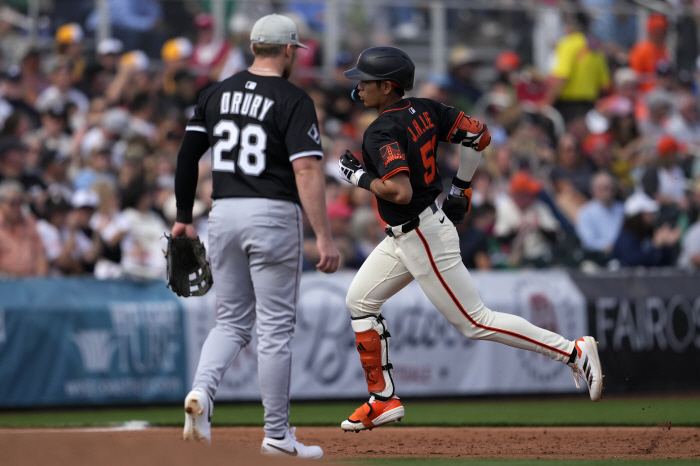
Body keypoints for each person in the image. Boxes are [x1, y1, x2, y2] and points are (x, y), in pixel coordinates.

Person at [337, 46, 603, 433]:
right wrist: (461, 188)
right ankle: (382, 399)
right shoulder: (425, 108)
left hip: (421, 232)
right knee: (359, 300)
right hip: (408, 232)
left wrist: (355, 176)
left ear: (388, 86)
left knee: (476, 321)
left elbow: (399, 192)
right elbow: (479, 135)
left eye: (365, 81)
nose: (358, 88)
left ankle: (572, 351)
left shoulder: (382, 129)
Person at [172, 14, 339, 458]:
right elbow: (305, 168)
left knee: (229, 321)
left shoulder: (216, 92)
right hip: (272, 212)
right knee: (275, 330)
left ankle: (202, 395)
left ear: (252, 48)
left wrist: (183, 217)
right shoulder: (293, 98)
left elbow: (188, 155)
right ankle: (277, 435)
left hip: (222, 211)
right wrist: (324, 235)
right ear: (288, 50)